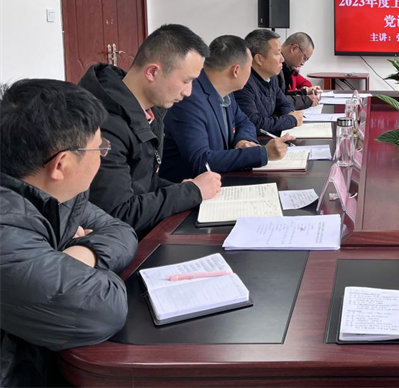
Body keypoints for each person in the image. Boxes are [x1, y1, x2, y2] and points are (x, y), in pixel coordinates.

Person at [0, 79, 138, 387]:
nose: (103, 155)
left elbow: (121, 231)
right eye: (99, 148)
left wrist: (81, 252)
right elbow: (103, 307)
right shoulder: (6, 233)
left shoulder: (53, 194)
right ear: (61, 164)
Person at [79, 24, 222, 237]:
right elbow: (118, 213)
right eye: (186, 81)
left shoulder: (150, 111)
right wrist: (190, 191)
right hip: (118, 241)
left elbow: (144, 183)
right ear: (153, 72)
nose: (189, 92)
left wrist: (185, 189)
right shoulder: (105, 124)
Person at [160, 35, 292, 182]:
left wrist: (242, 140)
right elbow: (202, 161)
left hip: (222, 178)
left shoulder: (224, 90)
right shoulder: (190, 99)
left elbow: (244, 122)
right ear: (236, 71)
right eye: (249, 67)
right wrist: (263, 153)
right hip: (188, 189)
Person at [234, 29, 303, 135]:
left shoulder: (272, 77)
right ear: (259, 59)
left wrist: (290, 114)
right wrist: (291, 120)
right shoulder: (243, 84)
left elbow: (284, 104)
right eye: (278, 53)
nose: (282, 59)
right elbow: (254, 124)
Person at [278, 32, 321, 109]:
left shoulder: (288, 69)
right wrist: (306, 100)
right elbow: (278, 101)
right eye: (304, 58)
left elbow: (281, 96)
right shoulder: (274, 67)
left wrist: (304, 92)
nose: (303, 63)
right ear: (294, 48)